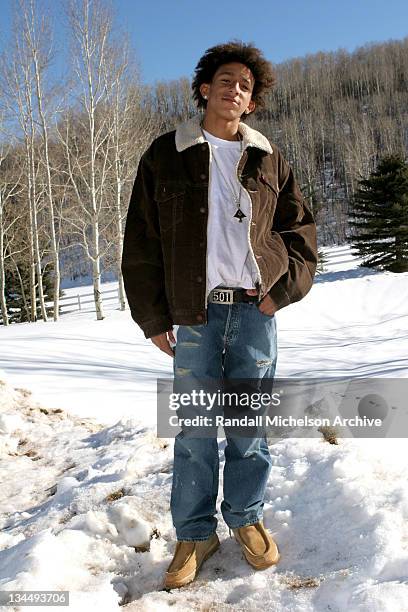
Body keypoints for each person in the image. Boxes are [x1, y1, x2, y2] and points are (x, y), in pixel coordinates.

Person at [121, 40, 318, 589]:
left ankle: (246, 518)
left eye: (246, 86)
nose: (236, 90)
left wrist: (282, 292)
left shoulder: (268, 157)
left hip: (255, 311)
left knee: (249, 425)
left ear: (253, 102)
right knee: (196, 429)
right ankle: (195, 531)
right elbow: (141, 242)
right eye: (226, 81)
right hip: (194, 314)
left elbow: (301, 232)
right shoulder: (167, 153)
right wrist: (153, 316)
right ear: (205, 88)